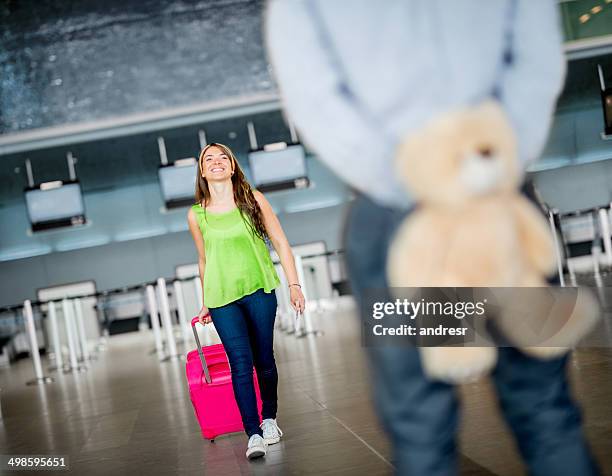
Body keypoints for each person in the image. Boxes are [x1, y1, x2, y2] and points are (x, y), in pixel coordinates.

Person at [266, 1, 600, 475]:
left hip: (394, 219)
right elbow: (534, 60)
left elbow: (313, 94)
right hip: (498, 202)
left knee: (420, 424)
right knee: (544, 410)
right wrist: (488, 160)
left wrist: (413, 177)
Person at [187, 142, 306, 460]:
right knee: (240, 363)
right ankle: (252, 432)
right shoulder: (196, 214)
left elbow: (280, 241)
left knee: (264, 360)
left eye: (222, 157)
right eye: (208, 159)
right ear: (202, 171)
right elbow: (203, 259)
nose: (216, 162)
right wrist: (204, 299)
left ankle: (269, 420)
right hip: (221, 299)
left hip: (259, 290)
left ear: (232, 166)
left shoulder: (253, 199)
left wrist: (294, 284)